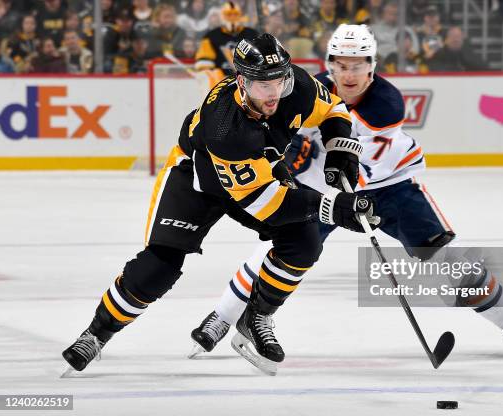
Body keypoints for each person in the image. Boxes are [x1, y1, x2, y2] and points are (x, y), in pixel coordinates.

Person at [189, 24, 503, 364]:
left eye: (358, 65)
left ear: (372, 66)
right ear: (329, 65)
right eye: (341, 65)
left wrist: (315, 147)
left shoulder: (385, 104)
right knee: (278, 252)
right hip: (324, 192)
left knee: (444, 256)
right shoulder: (297, 90)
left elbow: (352, 142)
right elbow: (277, 134)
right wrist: (290, 155)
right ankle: (222, 317)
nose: (349, 75)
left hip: (389, 187)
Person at [61, 33, 377, 376]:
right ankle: (96, 334)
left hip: (256, 174)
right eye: (261, 85)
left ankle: (256, 317)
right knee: (159, 266)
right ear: (241, 82)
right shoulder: (226, 126)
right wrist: (334, 207)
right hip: (196, 179)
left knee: (303, 242)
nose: (273, 94)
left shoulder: (294, 84)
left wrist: (341, 147)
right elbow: (264, 204)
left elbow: (333, 107)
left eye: (278, 81)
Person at [194, 1, 258, 79]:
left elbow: (260, 60)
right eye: (229, 15)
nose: (232, 18)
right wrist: (211, 75)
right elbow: (204, 63)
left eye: (235, 14)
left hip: (248, 80)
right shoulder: (211, 36)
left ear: (240, 15)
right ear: (222, 16)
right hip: (220, 81)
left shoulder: (253, 35)